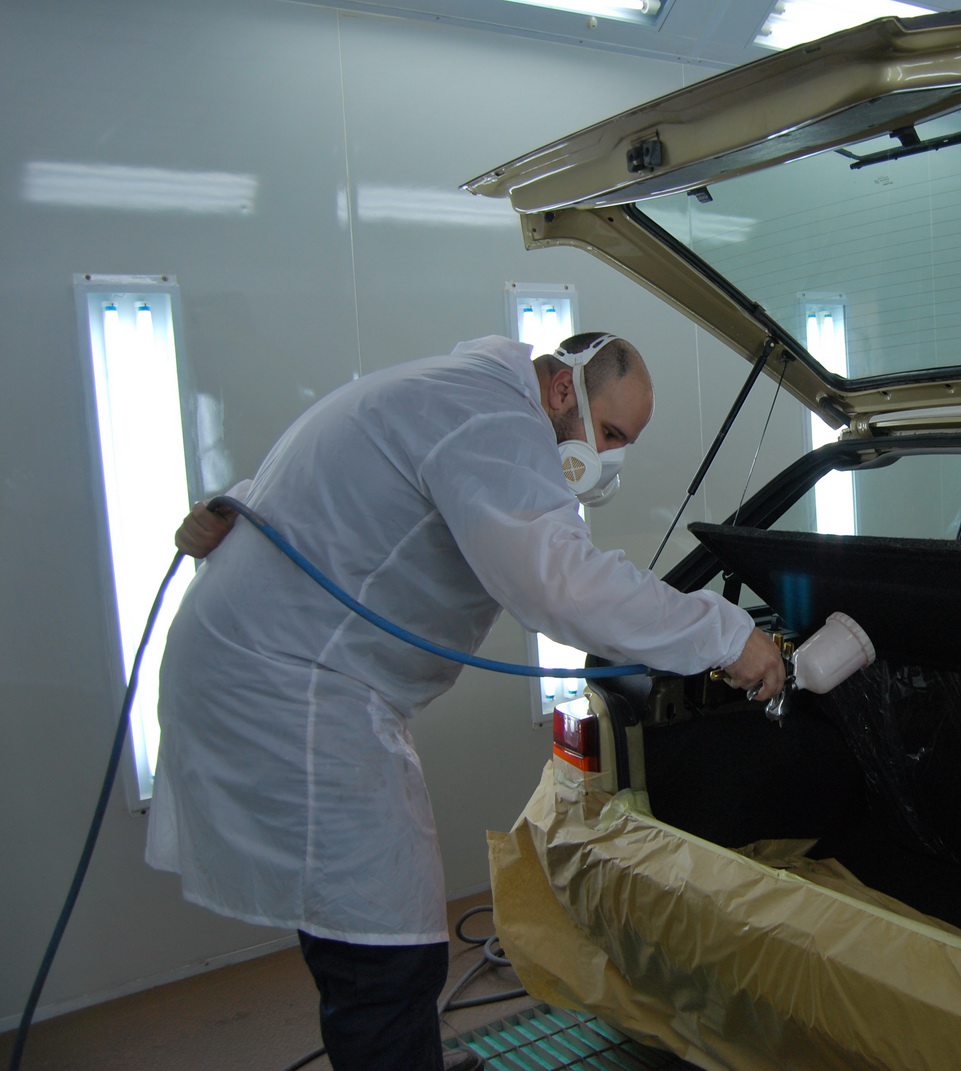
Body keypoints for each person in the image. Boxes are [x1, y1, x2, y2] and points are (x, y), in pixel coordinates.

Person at [150, 332, 785, 1071]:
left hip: (286, 672)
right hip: (292, 689)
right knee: (382, 944)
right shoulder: (492, 420)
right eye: (610, 434)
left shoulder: (458, 392)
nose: (609, 457)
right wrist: (725, 635)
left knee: (370, 924)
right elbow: (561, 582)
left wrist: (230, 504)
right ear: (562, 391)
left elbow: (333, 488)